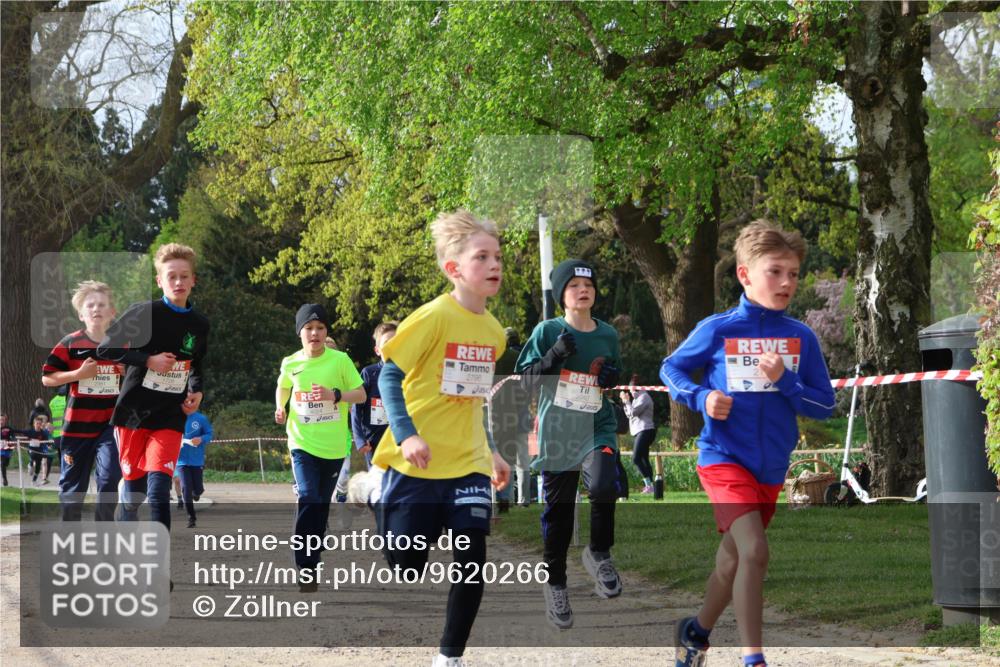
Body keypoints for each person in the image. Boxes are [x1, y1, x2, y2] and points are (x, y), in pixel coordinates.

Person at [660, 220, 835, 667]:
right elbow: (671, 369)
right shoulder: (718, 329)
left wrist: (787, 382)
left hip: (771, 468)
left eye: (793, 273)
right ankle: (753, 659)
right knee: (755, 551)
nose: (787, 282)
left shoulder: (802, 337)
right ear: (744, 274)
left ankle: (696, 633)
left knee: (732, 562)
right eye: (775, 271)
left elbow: (824, 405)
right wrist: (701, 397)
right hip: (722, 458)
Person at [373, 209, 510, 667]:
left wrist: (490, 452)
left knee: (473, 558)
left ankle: (449, 658)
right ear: (454, 269)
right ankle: (376, 494)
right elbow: (389, 379)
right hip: (417, 461)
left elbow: (472, 400)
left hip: (468, 463)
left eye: (498, 256)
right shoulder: (431, 317)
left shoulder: (494, 333)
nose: (495, 265)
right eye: (482, 257)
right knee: (406, 566)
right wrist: (407, 435)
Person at [516, 259, 624, 630]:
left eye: (588, 285)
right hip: (559, 431)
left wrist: (610, 378)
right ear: (562, 293)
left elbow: (609, 376)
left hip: (597, 425)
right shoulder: (547, 331)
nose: (583, 289)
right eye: (574, 284)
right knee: (558, 519)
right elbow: (525, 382)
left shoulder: (608, 334)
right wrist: (554, 355)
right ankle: (556, 583)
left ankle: (599, 553)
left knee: (604, 484)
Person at [97, 242, 209, 533]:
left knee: (159, 489)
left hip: (170, 415)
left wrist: (196, 390)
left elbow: (195, 364)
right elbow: (106, 349)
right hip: (134, 412)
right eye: (171, 276)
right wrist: (148, 360)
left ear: (193, 280)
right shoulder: (144, 313)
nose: (178, 282)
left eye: (184, 276)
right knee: (136, 491)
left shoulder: (199, 324)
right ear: (160, 280)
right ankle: (126, 509)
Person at [275, 303, 365, 590]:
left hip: (334, 447)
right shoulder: (291, 362)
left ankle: (313, 546)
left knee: (321, 503)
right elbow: (283, 386)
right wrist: (280, 406)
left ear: (326, 331)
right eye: (309, 328)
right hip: (301, 442)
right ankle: (306, 564)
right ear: (300, 332)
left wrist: (335, 394)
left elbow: (361, 395)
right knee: (309, 496)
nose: (314, 333)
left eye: (320, 328)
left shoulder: (340, 361)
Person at [41, 280, 123, 521]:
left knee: (109, 479)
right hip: (76, 428)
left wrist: (127, 372)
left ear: (112, 312)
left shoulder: (124, 344)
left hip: (110, 426)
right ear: (81, 313)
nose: (96, 309)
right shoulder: (70, 343)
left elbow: (139, 379)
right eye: (90, 305)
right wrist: (78, 375)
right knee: (73, 490)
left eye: (101, 305)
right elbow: (48, 378)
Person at [490, 327, 532, 510]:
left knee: (503, 456)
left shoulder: (495, 358)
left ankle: (503, 497)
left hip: (498, 414)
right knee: (523, 460)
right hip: (521, 413)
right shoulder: (523, 358)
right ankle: (524, 499)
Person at [351, 322, 397, 470]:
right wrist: (359, 439)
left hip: (401, 439)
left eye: (396, 341)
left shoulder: (410, 373)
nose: (392, 346)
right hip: (374, 442)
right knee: (378, 485)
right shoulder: (369, 373)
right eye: (387, 343)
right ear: (377, 350)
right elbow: (356, 408)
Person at [175, 409, 213, 528]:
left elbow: (209, 434)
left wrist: (201, 439)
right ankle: (191, 517)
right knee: (185, 488)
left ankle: (196, 493)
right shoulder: (173, 417)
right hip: (181, 461)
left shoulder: (201, 418)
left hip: (197, 461)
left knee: (198, 490)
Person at [620, 374, 656, 493]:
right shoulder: (635, 399)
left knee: (636, 458)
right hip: (639, 431)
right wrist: (625, 402)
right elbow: (628, 414)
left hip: (645, 430)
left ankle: (648, 485)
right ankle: (652, 487)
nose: (630, 393)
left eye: (631, 390)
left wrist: (627, 402)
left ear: (636, 388)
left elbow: (634, 412)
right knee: (644, 459)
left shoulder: (644, 396)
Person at [1, 413, 12, 486]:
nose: (1, 421)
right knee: (2, 464)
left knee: (6, 463)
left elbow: (13, 435)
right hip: (0, 450)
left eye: (3, 420)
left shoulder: (8, 429)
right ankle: (5, 479)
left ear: (5, 421)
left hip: (7, 449)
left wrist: (12, 440)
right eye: (0, 420)